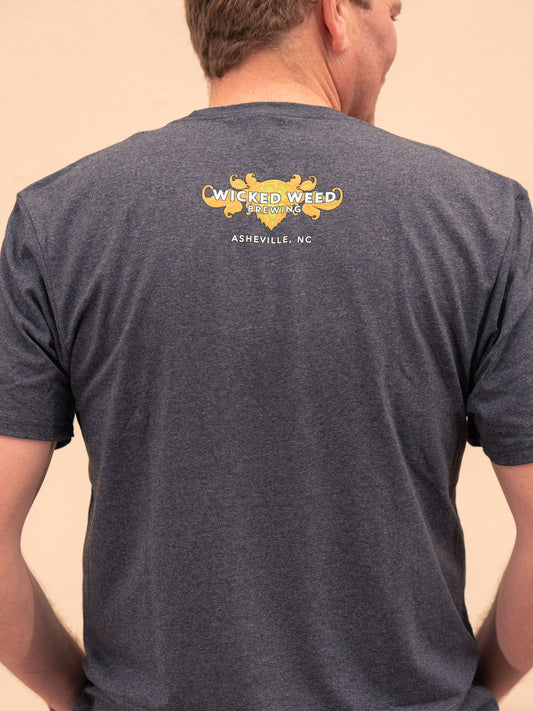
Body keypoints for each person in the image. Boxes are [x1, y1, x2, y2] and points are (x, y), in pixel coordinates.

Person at [0, 0, 532, 709]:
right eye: (392, 13)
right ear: (335, 14)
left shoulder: (58, 222)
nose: (391, 40)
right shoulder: (484, 220)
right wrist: (474, 691)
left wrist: (77, 696)